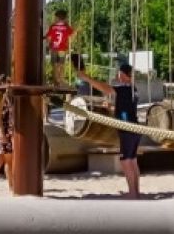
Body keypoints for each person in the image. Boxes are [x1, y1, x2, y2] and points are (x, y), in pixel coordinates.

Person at [76, 62, 142, 198]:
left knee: (126, 160)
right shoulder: (133, 89)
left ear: (123, 74)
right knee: (132, 160)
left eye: (119, 72)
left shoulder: (124, 88)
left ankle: (133, 193)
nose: (117, 75)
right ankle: (136, 192)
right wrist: (113, 108)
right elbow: (126, 107)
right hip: (135, 127)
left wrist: (87, 78)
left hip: (127, 128)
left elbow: (105, 88)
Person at [46, 10, 75, 89]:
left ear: (57, 17)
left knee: (54, 65)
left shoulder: (53, 26)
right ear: (64, 18)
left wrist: (49, 44)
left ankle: (55, 82)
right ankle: (61, 81)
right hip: (62, 49)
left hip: (54, 49)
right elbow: (72, 34)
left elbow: (48, 37)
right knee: (61, 65)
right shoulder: (66, 27)